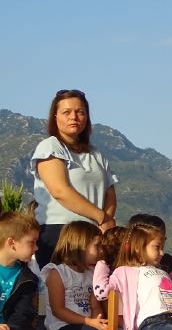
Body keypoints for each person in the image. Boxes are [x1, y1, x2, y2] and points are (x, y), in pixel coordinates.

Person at [30, 90, 117, 267]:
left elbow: (110, 193)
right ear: (55, 117)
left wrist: (106, 223)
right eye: (66, 112)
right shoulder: (50, 147)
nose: (74, 117)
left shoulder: (95, 153)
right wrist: (101, 217)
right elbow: (60, 191)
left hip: (92, 235)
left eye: (80, 112)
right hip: (60, 233)